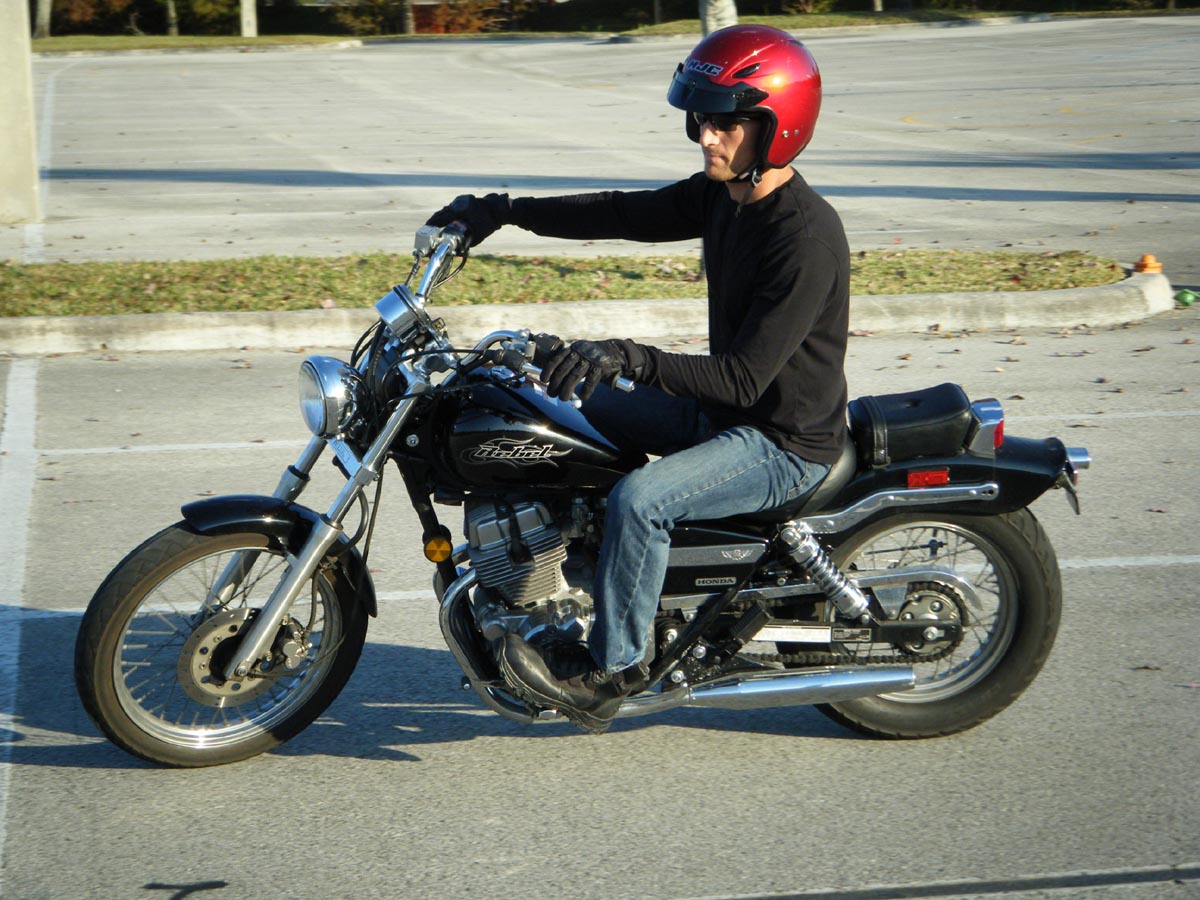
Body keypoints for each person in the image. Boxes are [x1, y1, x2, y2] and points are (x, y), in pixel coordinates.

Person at [427, 24, 850, 734]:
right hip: (723, 414)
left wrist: (629, 355)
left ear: (778, 126)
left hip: (781, 441)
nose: (706, 137)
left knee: (641, 500)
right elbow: (622, 211)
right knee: (553, 394)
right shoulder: (725, 197)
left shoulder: (803, 239)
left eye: (725, 124)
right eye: (701, 121)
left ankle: (613, 669)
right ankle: (572, 570)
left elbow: (743, 379)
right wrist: (504, 212)